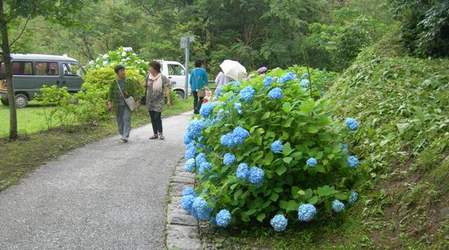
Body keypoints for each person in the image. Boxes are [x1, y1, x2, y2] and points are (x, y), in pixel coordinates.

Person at [107, 65, 140, 143]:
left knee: (126, 118)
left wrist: (137, 101)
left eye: (124, 70)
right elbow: (110, 94)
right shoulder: (114, 82)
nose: (123, 72)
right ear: (117, 72)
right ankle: (122, 134)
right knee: (120, 120)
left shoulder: (129, 81)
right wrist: (109, 103)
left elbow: (134, 92)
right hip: (117, 104)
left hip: (127, 104)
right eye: (121, 71)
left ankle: (125, 136)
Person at [145, 61, 172, 140]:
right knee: (152, 117)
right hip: (149, 100)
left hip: (159, 100)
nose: (149, 68)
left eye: (150, 67)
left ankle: (160, 133)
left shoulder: (162, 77)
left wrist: (168, 100)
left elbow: (167, 88)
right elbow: (145, 85)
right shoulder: (148, 76)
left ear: (155, 68)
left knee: (157, 117)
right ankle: (155, 134)